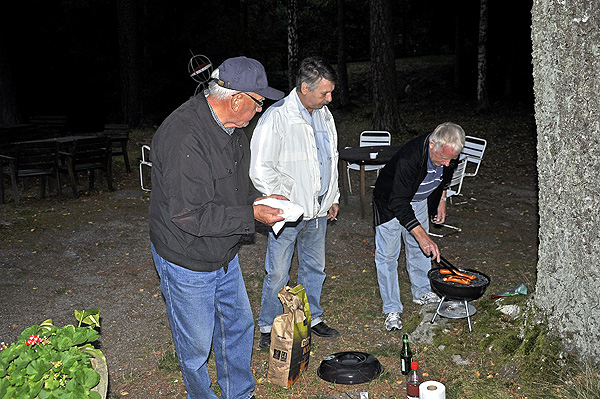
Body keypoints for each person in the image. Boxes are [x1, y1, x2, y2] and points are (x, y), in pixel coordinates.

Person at [148, 56, 286, 399]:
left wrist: (263, 201)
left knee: (238, 326)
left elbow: (237, 187)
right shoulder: (185, 138)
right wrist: (253, 216)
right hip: (186, 257)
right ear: (237, 98)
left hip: (222, 251)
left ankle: (239, 394)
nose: (259, 111)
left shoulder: (232, 127)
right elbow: (189, 215)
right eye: (258, 102)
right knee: (195, 346)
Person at [249, 56, 341, 349]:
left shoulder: (324, 114)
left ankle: (311, 318)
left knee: (315, 268)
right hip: (289, 213)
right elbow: (260, 167)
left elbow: (330, 158)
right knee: (278, 271)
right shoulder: (278, 116)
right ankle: (268, 325)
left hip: (318, 211)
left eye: (330, 92)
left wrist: (333, 197)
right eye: (324, 93)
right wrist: (282, 203)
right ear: (304, 87)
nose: (329, 98)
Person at [372, 122, 465, 331]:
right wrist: (422, 236)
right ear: (432, 144)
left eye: (452, 159)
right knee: (388, 256)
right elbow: (399, 203)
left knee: (419, 250)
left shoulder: (449, 154)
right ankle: (392, 308)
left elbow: (445, 177)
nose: (447, 163)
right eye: (443, 158)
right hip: (390, 202)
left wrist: (442, 199)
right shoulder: (410, 158)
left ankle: (422, 291)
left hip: (419, 199)